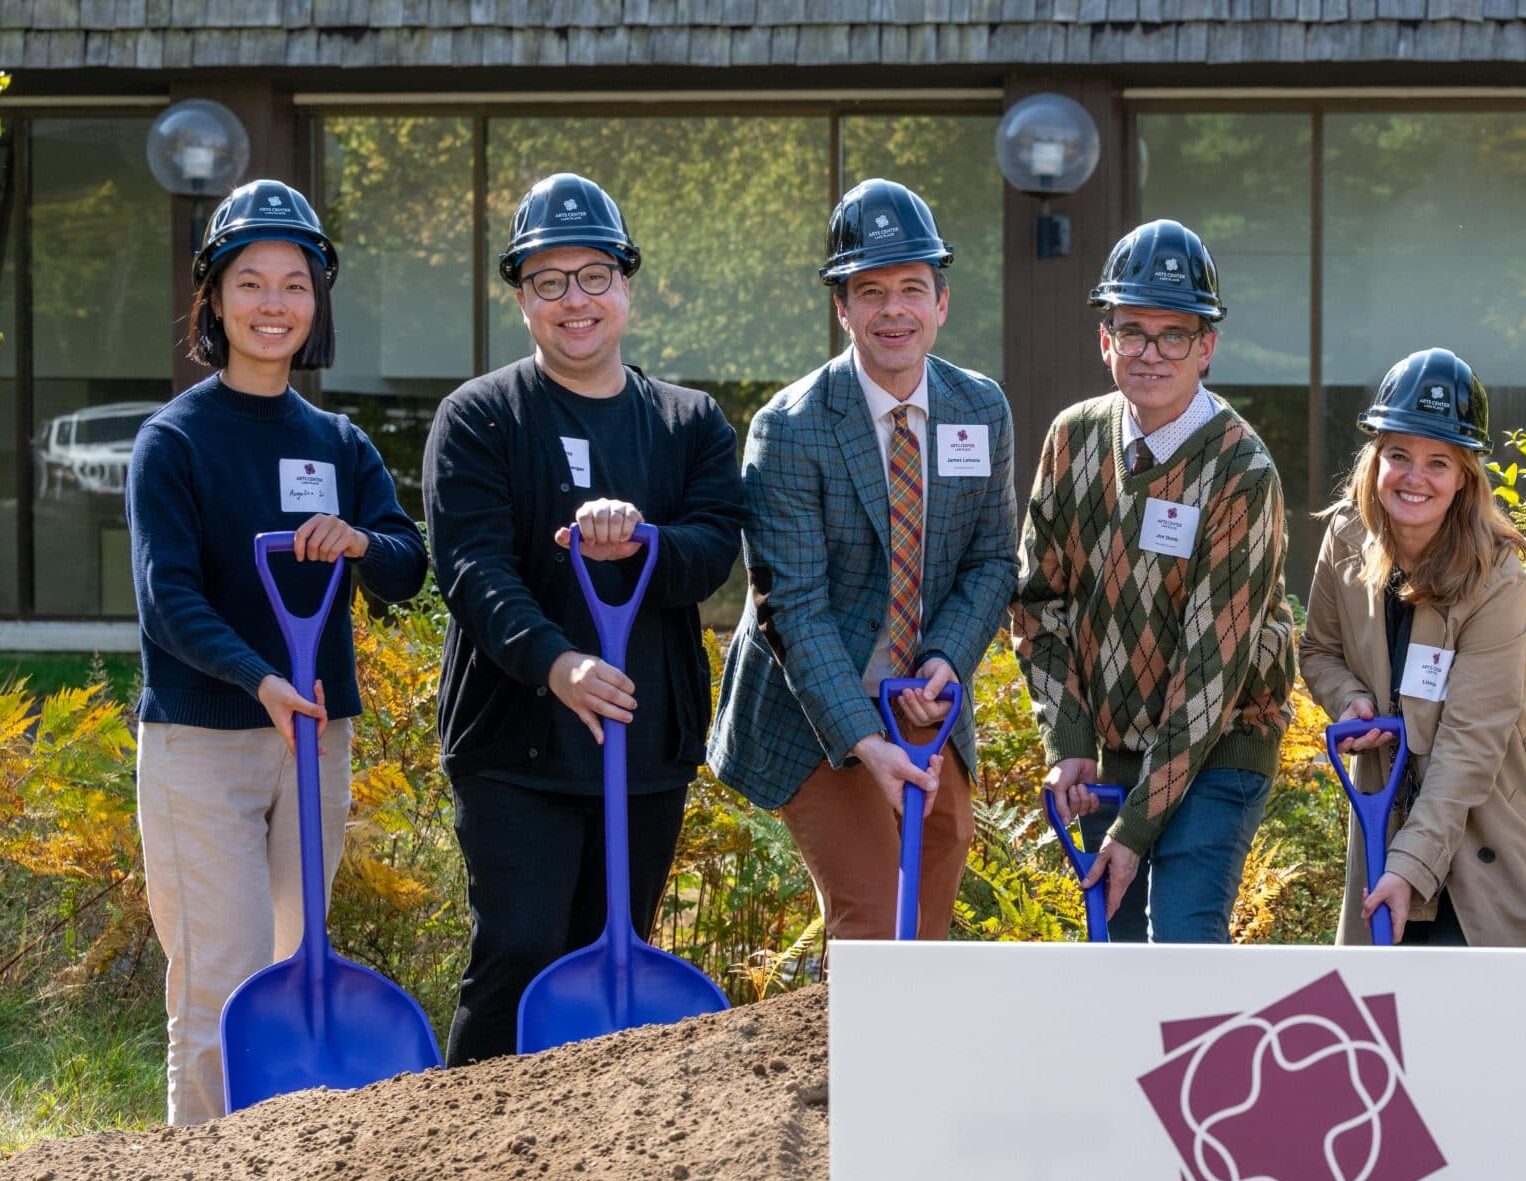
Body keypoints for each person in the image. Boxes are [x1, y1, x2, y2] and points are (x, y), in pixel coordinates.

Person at [424, 172, 746, 1064]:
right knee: (521, 948)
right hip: (517, 740)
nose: (576, 300)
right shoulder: (481, 418)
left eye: (595, 275)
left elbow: (713, 548)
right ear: (521, 297)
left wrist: (642, 541)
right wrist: (558, 665)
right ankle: (461, 1151)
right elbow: (472, 569)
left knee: (617, 946)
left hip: (641, 745)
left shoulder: (688, 424)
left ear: (628, 285)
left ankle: (597, 1172)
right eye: (549, 281)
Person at [127, 180, 427, 1123]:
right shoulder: (173, 440)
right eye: (249, 282)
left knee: (299, 961)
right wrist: (258, 677)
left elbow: (406, 565)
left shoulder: (337, 442)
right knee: (221, 976)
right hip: (203, 737)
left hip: (313, 735)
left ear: (316, 302)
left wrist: (360, 544)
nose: (272, 304)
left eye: (294, 284)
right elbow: (166, 598)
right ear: (213, 299)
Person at [707, 179, 1017, 946]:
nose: (893, 310)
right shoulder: (791, 428)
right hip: (814, 705)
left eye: (912, 288)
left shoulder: (980, 409)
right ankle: (850, 1063)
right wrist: (864, 740)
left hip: (922, 698)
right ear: (840, 307)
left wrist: (945, 660)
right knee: (874, 916)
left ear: (941, 302)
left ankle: (906, 1058)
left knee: (937, 878)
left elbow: (990, 561)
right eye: (868, 291)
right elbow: (794, 611)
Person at [1010, 219, 1296, 943]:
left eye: (1174, 335)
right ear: (1104, 339)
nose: (1150, 353)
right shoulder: (1072, 438)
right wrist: (1067, 737)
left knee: (1180, 943)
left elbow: (1211, 672)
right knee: (1115, 951)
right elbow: (1039, 602)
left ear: (1206, 346)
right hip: (1115, 745)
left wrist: (1135, 829)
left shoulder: (1242, 471)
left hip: (1221, 740)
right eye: (1132, 331)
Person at [1298, 348, 1526, 947]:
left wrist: (1409, 865)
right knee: (1385, 1030)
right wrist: (1349, 701)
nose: (1414, 478)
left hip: (1488, 832)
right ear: (1375, 459)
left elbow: (1469, 745)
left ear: (1465, 475)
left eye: (1438, 461)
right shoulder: (1345, 536)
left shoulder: (1497, 578)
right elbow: (1318, 650)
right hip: (1384, 815)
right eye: (1399, 455)